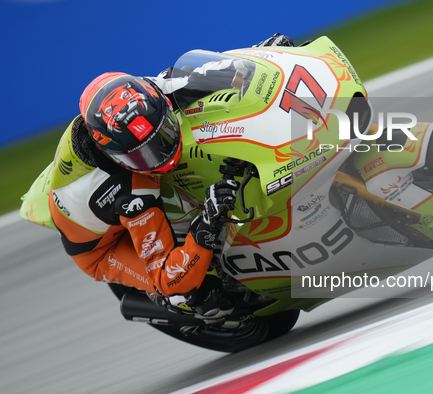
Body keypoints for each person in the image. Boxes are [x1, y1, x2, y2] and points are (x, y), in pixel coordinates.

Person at [48, 34, 294, 320]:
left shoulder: (148, 93)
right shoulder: (127, 192)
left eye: (162, 134)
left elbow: (223, 72)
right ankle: (188, 307)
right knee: (187, 291)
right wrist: (207, 222)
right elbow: (169, 275)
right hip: (101, 247)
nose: (161, 154)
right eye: (143, 154)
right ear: (117, 157)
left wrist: (265, 55)